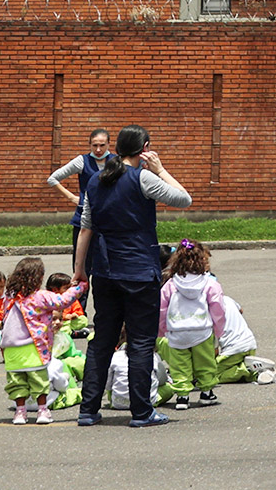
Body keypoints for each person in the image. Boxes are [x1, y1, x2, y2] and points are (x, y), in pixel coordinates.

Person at [72, 124, 192, 428]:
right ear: (145, 148)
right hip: (138, 270)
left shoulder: (97, 181)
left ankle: (89, 409)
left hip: (106, 270)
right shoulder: (144, 178)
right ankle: (141, 411)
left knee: (102, 340)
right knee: (140, 341)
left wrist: (79, 269)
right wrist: (161, 169)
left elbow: (85, 227)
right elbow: (184, 199)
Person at [0, 257, 87, 425]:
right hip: (33, 346)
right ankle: (42, 411)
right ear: (38, 278)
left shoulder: (10, 297)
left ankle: (20, 412)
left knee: (17, 381)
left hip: (11, 348)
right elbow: (62, 301)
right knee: (39, 379)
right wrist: (80, 287)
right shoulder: (40, 297)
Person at [47, 129, 116, 313]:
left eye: (102, 145)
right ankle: (79, 312)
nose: (99, 149)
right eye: (95, 145)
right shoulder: (82, 161)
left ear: (109, 144)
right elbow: (53, 178)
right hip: (83, 221)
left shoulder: (116, 161)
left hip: (109, 222)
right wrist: (72, 198)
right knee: (82, 269)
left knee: (106, 269)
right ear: (89, 145)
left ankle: (106, 314)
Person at [158, 239, 225, 410]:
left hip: (177, 332)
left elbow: (161, 309)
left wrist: (163, 328)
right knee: (206, 362)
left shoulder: (171, 284)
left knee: (179, 365)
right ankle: (207, 392)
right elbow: (218, 308)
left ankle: (182, 396)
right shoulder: (209, 283)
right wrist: (218, 329)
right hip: (202, 330)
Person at [106, 328, 173, 411]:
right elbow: (162, 379)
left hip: (118, 403)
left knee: (111, 390)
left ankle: (115, 399)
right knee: (168, 388)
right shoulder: (152, 356)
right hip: (146, 400)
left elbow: (108, 384)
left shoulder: (115, 356)